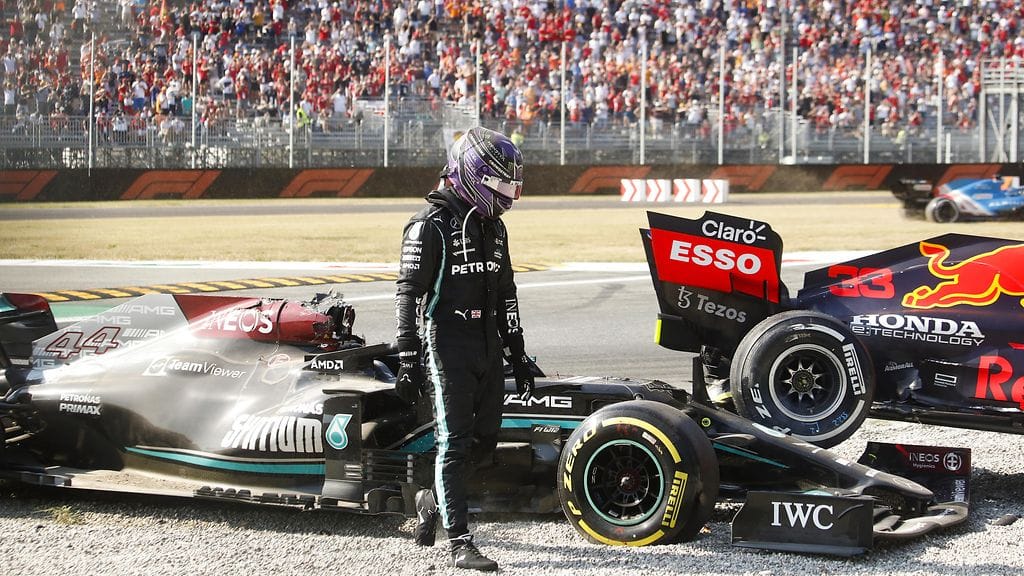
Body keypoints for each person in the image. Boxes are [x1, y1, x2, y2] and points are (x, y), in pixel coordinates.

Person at [394, 126, 534, 572]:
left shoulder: (496, 228)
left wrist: (518, 352)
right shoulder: (428, 225)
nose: (508, 195)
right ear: (474, 175)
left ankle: (431, 502)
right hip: (447, 344)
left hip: (487, 345)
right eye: (501, 185)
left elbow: (506, 293)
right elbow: (408, 293)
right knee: (453, 443)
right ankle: (459, 542)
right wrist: (407, 355)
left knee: (484, 441)